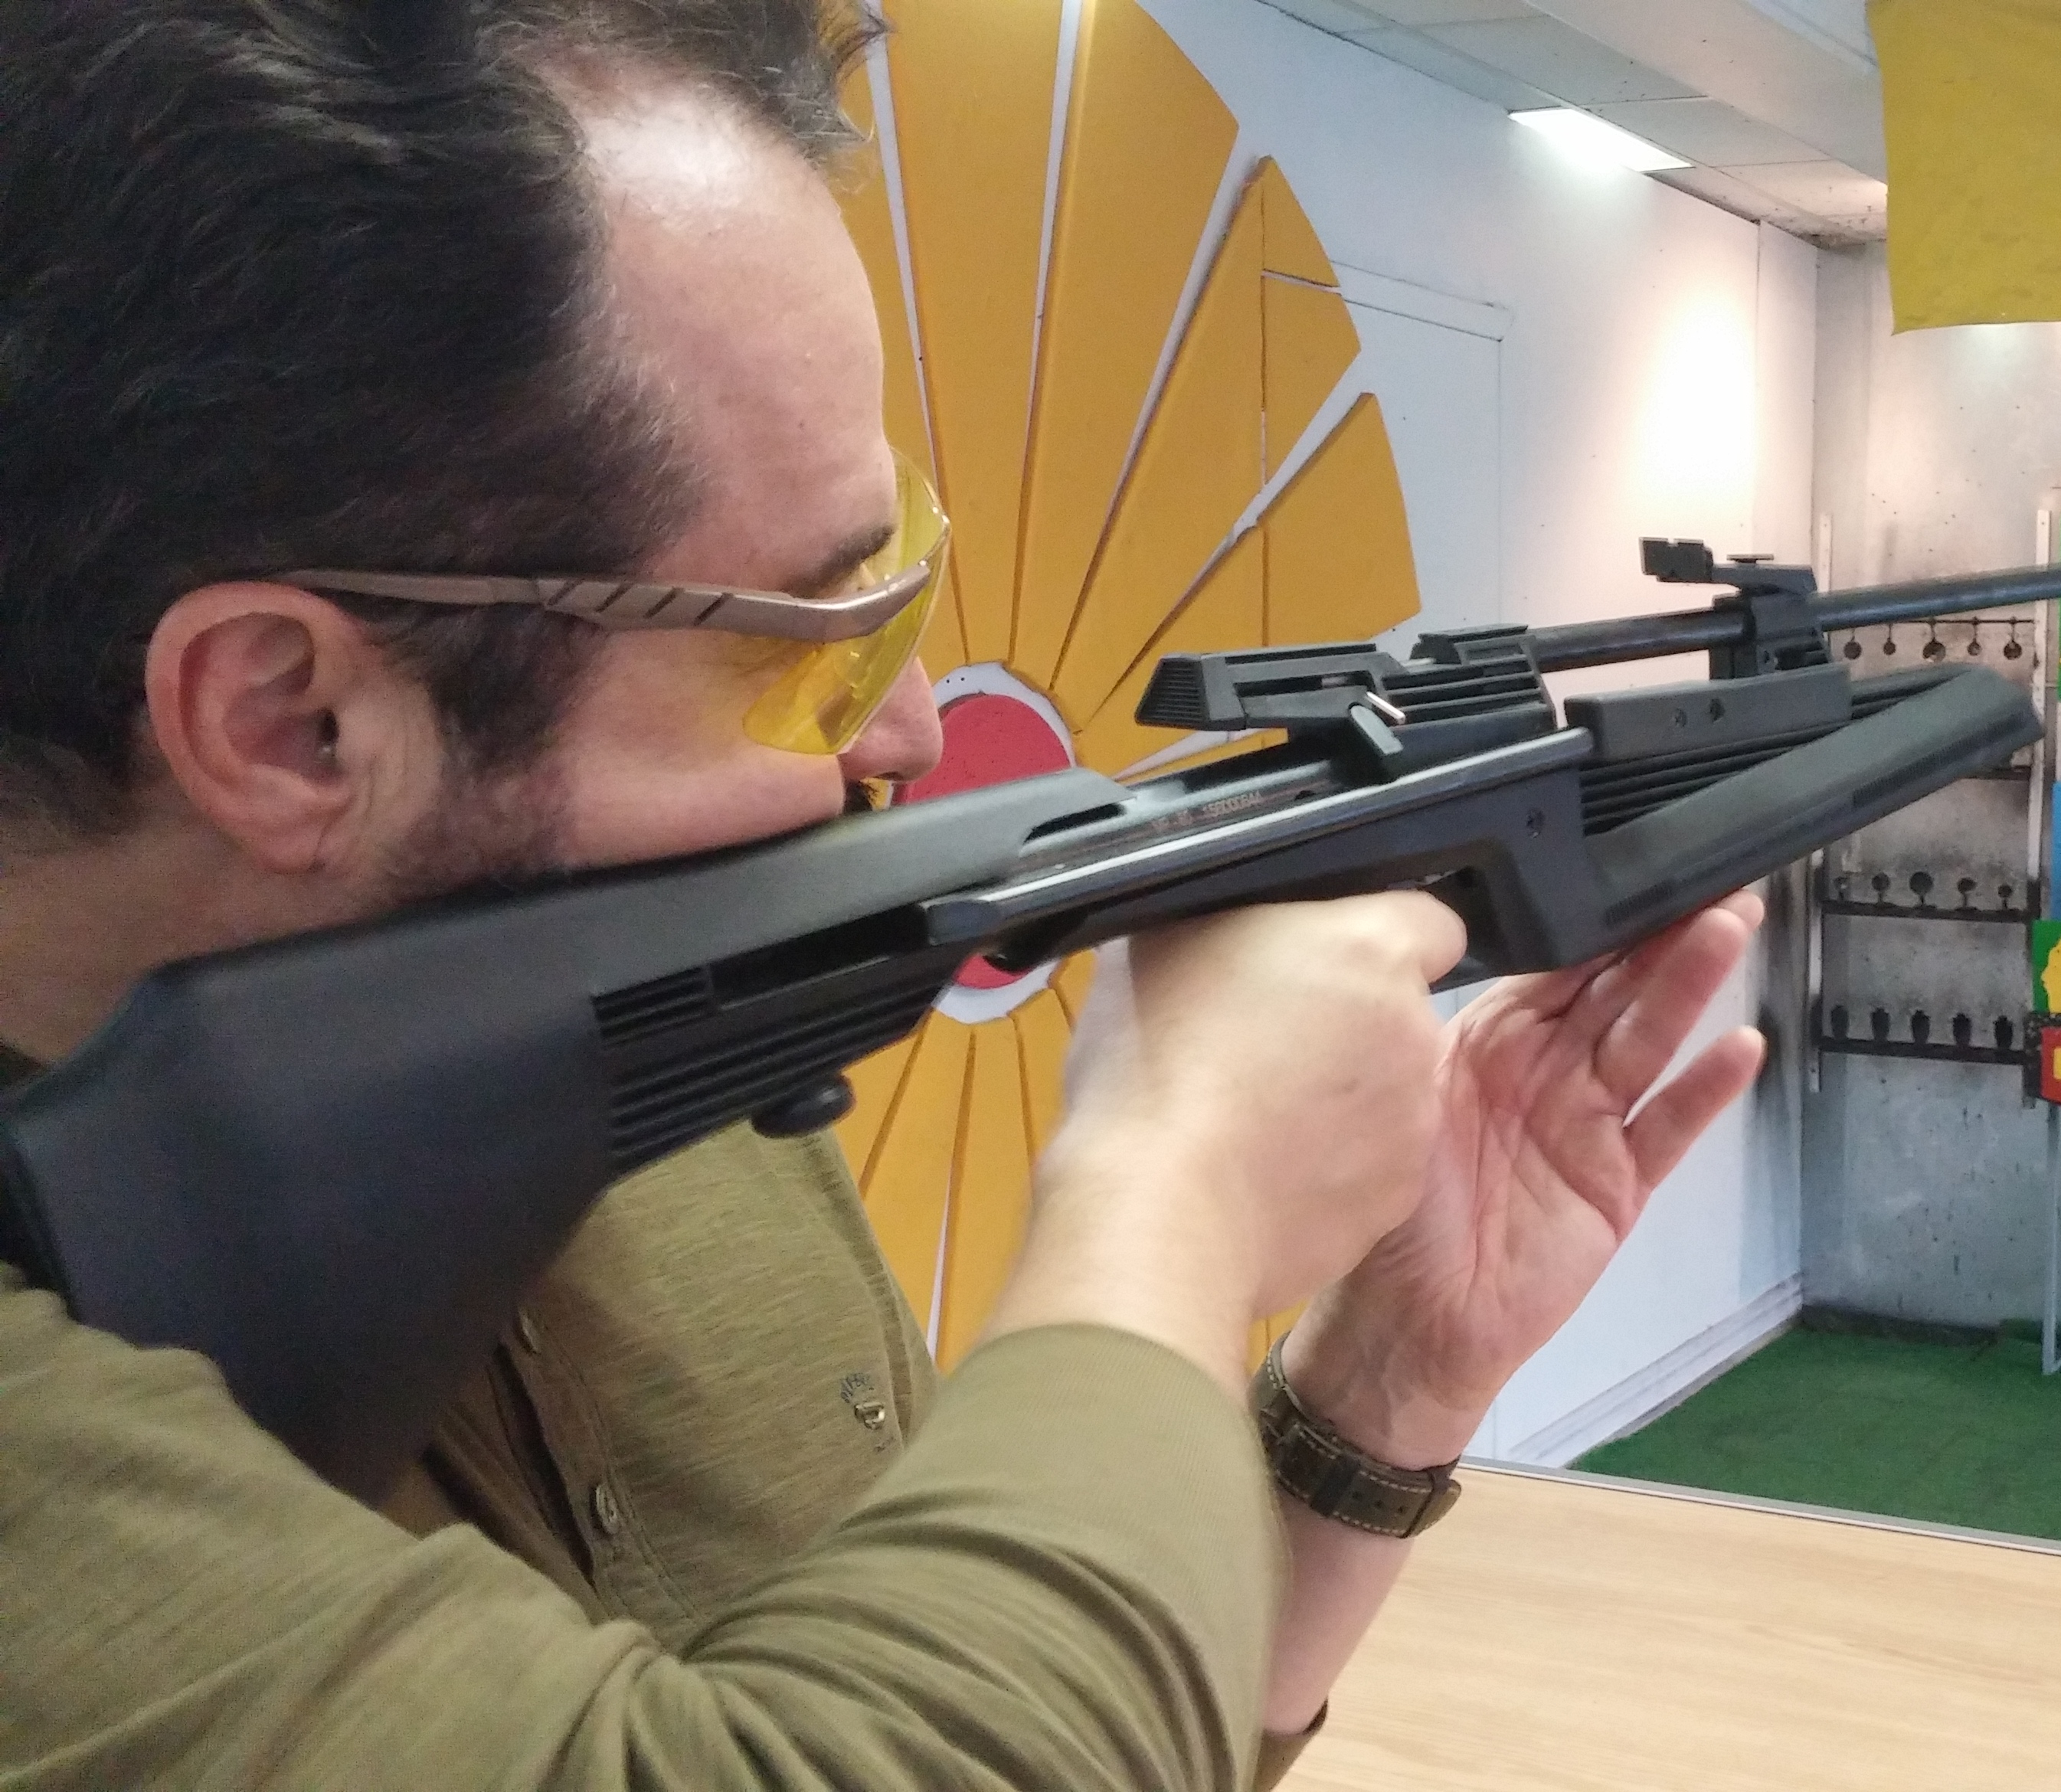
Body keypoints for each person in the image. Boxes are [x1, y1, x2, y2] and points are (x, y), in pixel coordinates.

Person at [0, 2, 1767, 1785]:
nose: (912, 727)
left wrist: (1372, 1399)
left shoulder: (630, 1065)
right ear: (292, 722)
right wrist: (1180, 1182)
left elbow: (1056, 1738)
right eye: (815, 636)